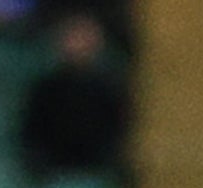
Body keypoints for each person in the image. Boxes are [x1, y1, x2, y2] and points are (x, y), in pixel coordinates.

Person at [16, 11, 127, 177]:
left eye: (85, 37)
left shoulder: (109, 88)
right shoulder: (46, 88)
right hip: (51, 174)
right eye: (73, 38)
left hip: (95, 173)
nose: (78, 44)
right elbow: (32, 133)